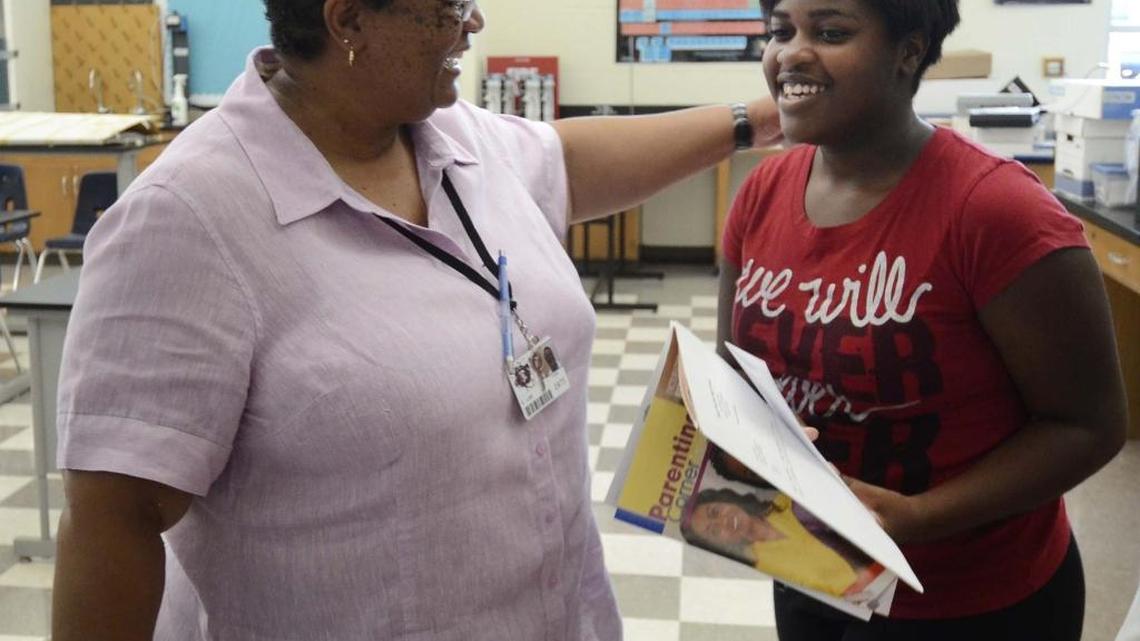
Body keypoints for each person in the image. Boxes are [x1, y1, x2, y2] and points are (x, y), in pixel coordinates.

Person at [49, 1, 784, 640]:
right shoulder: (190, 218)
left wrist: (762, 119)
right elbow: (115, 518)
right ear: (348, 20)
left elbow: (570, 160)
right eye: (446, 6)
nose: (473, 23)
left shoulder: (451, 137)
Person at [717, 0, 1129, 639]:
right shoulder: (762, 194)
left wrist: (917, 517)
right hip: (814, 569)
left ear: (909, 50)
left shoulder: (996, 212)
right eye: (780, 31)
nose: (790, 54)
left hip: (971, 602)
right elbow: (738, 373)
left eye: (830, 32)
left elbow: (1088, 425)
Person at [681, 488, 881, 598]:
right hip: (874, 604)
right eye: (714, 531)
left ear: (726, 499)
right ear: (719, 546)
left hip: (887, 550)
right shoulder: (766, 576)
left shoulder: (790, 500)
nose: (723, 521)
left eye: (715, 512)